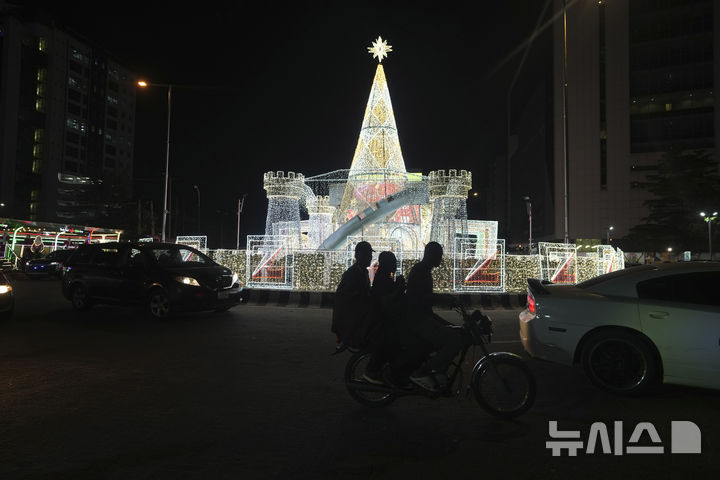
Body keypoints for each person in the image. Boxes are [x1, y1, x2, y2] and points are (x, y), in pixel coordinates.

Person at [403, 241, 472, 392]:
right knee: (455, 341)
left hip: (424, 316)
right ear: (431, 255)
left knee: (454, 330)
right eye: (439, 255)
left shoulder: (423, 270)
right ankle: (422, 373)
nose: (441, 258)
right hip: (418, 320)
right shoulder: (421, 271)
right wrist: (447, 299)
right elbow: (425, 298)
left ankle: (439, 370)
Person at [362, 251, 409, 386]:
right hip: (382, 319)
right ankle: (373, 370)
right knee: (391, 340)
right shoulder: (382, 278)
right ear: (387, 264)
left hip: (386, 316)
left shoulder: (385, 277)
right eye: (393, 262)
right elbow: (387, 300)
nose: (395, 265)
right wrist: (399, 287)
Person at [331, 241, 376, 349]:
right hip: (351, 321)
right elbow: (352, 299)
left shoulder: (362, 272)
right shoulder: (352, 274)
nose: (370, 258)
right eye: (367, 255)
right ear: (358, 256)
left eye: (370, 255)